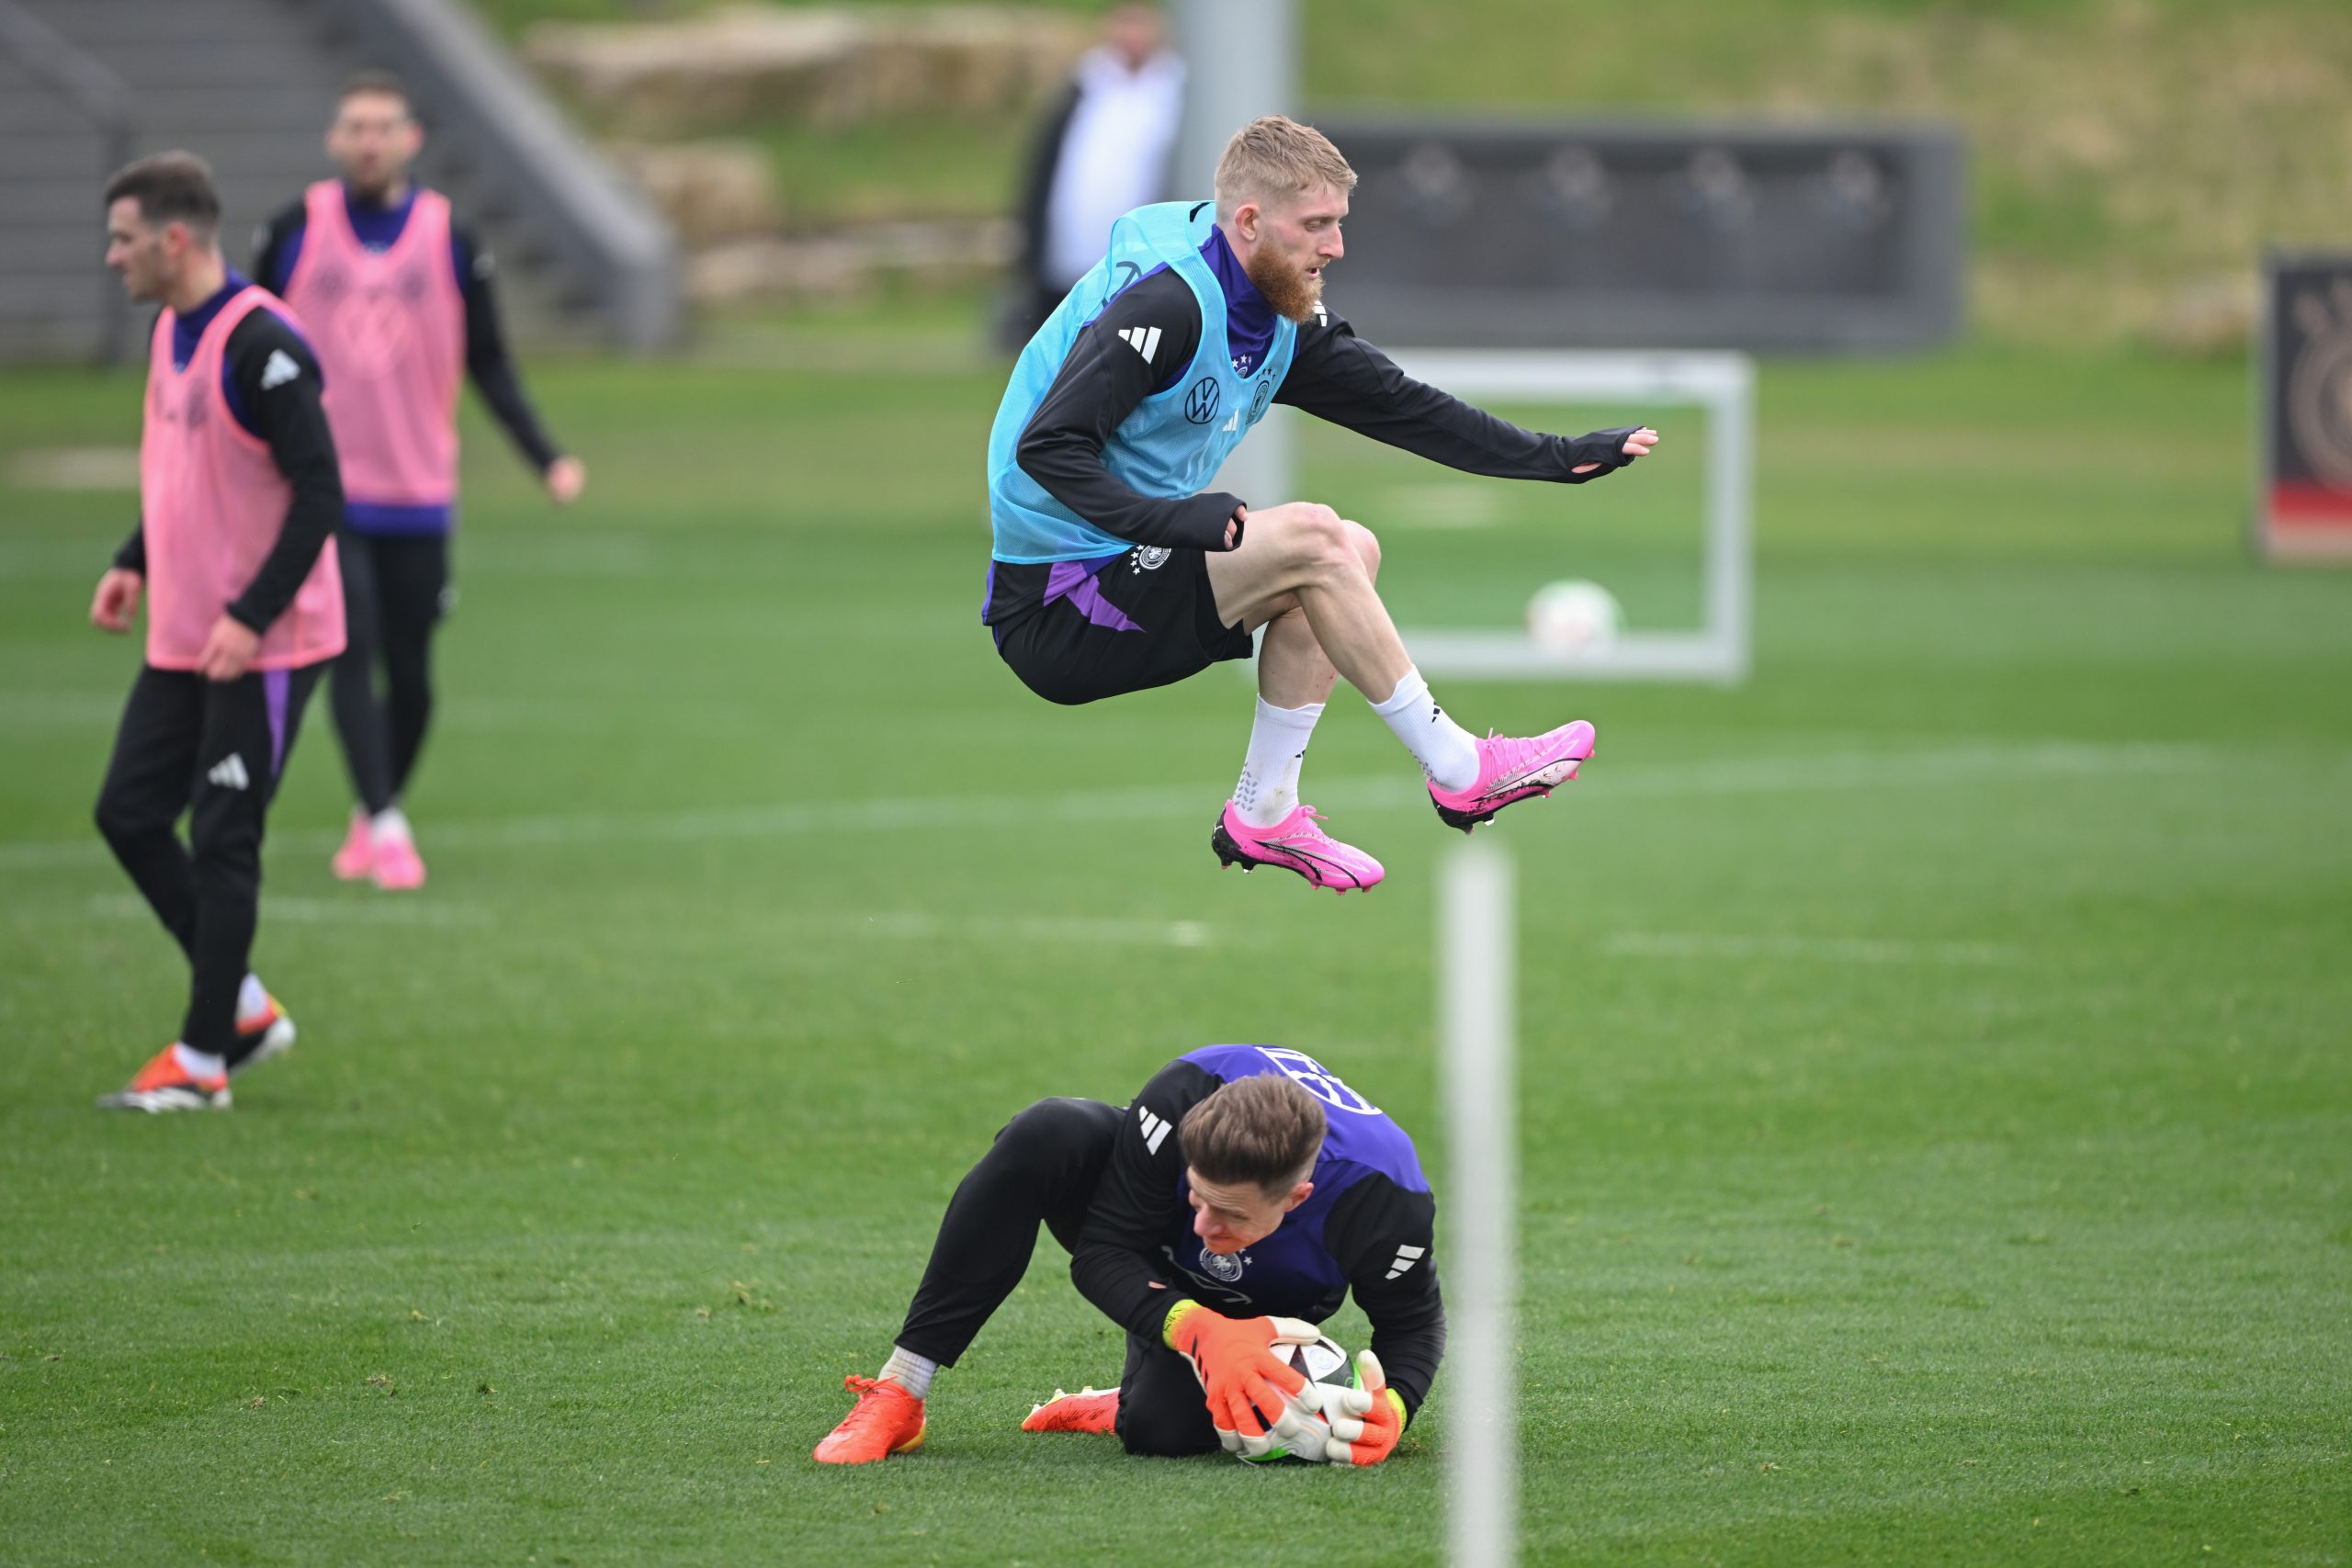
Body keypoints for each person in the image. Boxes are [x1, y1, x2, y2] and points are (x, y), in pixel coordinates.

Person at [985, 116, 1660, 893]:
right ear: (1249, 221)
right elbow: (1048, 447)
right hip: (1058, 604)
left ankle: (1264, 811)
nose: (1335, 246)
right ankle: (1460, 767)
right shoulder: (1165, 304)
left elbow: (1403, 406)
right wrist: (1181, 519)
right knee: (1315, 538)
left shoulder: (1277, 311)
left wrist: (1555, 457)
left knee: (1350, 552)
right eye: (1315, 225)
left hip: (1124, 562)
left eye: (1338, 222)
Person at [252, 71, 585, 891]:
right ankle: (389, 824)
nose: (369, 141)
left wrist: (545, 457)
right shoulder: (296, 232)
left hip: (420, 493)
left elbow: (490, 362)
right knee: (351, 642)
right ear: (336, 139)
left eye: (383, 127)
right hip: (324, 493)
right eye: (355, 127)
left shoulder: (452, 239)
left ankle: (376, 808)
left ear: (411, 139)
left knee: (413, 676)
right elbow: (247, 350)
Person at [814, 1044, 1440, 1466]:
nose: (1204, 1225)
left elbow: (1412, 1324)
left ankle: (1124, 1401)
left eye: (1231, 1214)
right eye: (1197, 1195)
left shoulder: (1388, 1200)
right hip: (1146, 1240)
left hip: (1266, 1296)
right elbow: (1103, 1250)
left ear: (1297, 1198)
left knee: (1161, 1432)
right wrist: (1197, 1330)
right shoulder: (1184, 1093)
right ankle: (900, 1391)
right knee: (1048, 1133)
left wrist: (1394, 1409)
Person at [90, 153, 345, 1112]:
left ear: (173, 240)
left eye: (123, 239)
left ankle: (202, 1064)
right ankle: (239, 1004)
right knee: (128, 811)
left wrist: (250, 615)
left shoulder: (264, 345)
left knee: (225, 837)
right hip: (187, 633)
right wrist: (134, 558)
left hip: (267, 643)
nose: (112, 256)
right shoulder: (170, 329)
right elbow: (183, 470)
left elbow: (320, 493)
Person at [1001, 3, 1185, 348]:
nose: (1131, 35)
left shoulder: (1176, 90)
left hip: (1140, 258)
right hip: (1067, 251)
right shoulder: (1085, 83)